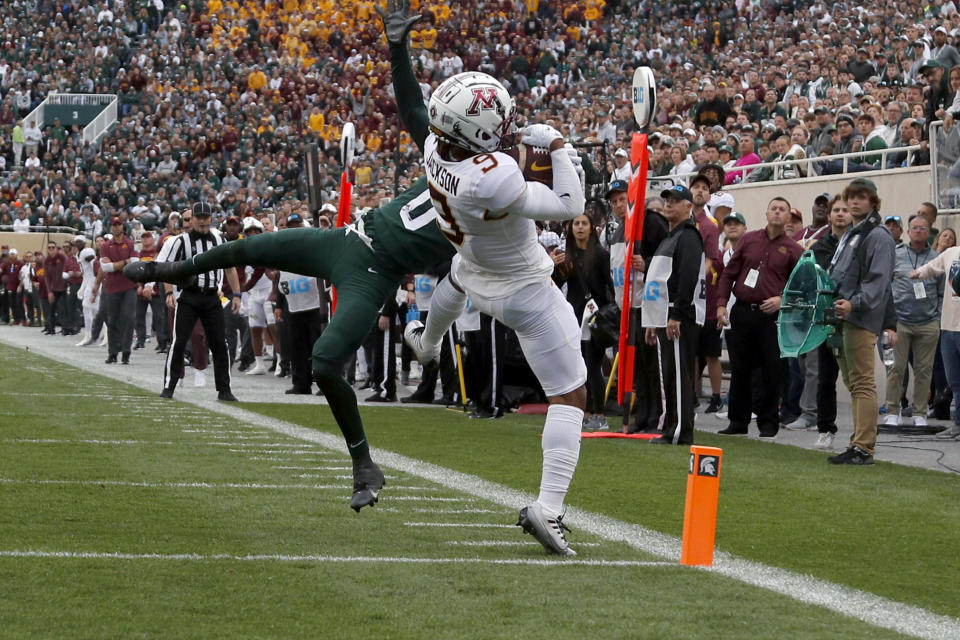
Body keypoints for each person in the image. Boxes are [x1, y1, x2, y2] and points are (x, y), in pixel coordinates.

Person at [126, 2, 461, 515]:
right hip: (348, 238)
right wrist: (397, 48)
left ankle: (363, 463)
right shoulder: (448, 157)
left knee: (325, 362)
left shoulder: (494, 211)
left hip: (374, 274)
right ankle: (171, 269)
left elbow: (491, 253)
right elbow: (412, 107)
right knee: (251, 245)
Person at [400, 5, 588, 555]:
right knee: (570, 394)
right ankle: (549, 508)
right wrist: (557, 149)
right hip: (523, 285)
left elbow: (491, 155)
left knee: (455, 279)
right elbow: (566, 206)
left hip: (473, 265)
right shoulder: (493, 178)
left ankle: (427, 342)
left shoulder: (437, 146)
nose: (508, 127)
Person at [716, 197, 802, 439]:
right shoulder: (748, 239)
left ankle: (768, 423)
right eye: (773, 208)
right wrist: (721, 304)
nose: (777, 212)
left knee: (770, 371)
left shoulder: (795, 250)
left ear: (788, 217)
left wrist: (782, 300)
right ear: (766, 214)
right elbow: (728, 274)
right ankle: (738, 421)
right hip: (742, 312)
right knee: (740, 369)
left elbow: (802, 286)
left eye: (782, 209)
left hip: (771, 317)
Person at [827, 178, 897, 464]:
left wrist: (854, 302)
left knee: (863, 383)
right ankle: (857, 442)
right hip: (843, 315)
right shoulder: (854, 233)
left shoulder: (878, 235)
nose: (855, 202)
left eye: (862, 197)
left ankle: (864, 447)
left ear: (873, 202)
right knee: (854, 382)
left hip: (859, 317)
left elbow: (878, 282)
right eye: (851, 197)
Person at [154, 202, 242, 401]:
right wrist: (169, 292)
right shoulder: (180, 241)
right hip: (189, 296)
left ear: (211, 218)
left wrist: (237, 294)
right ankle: (169, 385)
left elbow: (230, 268)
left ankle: (224, 389)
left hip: (212, 297)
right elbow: (168, 268)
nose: (202, 221)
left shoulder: (219, 238)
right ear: (191, 219)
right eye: (198, 217)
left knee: (220, 343)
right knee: (179, 341)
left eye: (206, 217)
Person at [642, 185, 706, 445]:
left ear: (688, 206)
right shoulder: (670, 236)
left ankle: (680, 431)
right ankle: (671, 427)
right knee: (669, 375)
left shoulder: (688, 235)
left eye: (675, 200)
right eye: (667, 199)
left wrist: (677, 314)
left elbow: (687, 276)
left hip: (678, 316)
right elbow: (659, 280)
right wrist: (652, 319)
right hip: (664, 315)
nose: (668, 204)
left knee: (679, 375)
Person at [552, 213, 614, 430]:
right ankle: (582, 411)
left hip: (594, 319)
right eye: (576, 224)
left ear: (591, 228)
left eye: (584, 224)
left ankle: (598, 413)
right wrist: (553, 266)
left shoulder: (600, 255)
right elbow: (555, 286)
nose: (579, 227)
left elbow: (610, 289)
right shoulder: (565, 256)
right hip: (573, 317)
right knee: (576, 367)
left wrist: (608, 314)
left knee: (592, 365)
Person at [884, 215, 942, 427]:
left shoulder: (937, 258)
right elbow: (885, 286)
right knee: (896, 367)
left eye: (923, 228)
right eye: (915, 228)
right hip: (900, 321)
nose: (918, 231)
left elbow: (943, 291)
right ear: (908, 232)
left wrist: (937, 318)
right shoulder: (896, 255)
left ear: (929, 231)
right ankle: (892, 409)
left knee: (924, 369)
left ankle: (920, 412)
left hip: (927, 322)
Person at [910, 227, 960, 439]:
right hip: (948, 327)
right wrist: (919, 273)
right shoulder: (952, 253)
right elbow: (933, 266)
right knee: (955, 380)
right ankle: (958, 424)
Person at [92, 217, 139, 364]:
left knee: (129, 318)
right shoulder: (106, 246)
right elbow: (106, 268)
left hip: (129, 286)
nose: (117, 228)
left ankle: (126, 351)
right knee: (112, 320)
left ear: (123, 227)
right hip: (112, 287)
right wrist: (125, 262)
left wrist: (115, 265)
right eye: (114, 225)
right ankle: (113, 352)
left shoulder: (130, 244)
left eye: (119, 225)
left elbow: (135, 263)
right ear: (111, 228)